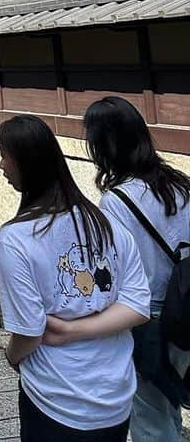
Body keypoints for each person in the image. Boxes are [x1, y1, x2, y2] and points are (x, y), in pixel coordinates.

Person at [0, 113, 150, 442]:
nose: (1, 167)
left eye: (3, 157)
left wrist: (12, 357)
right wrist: (76, 329)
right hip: (115, 395)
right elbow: (137, 305)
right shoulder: (107, 223)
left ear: (25, 163)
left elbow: (29, 332)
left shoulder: (17, 238)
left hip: (56, 397)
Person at [84, 97, 190, 442]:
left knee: (153, 415)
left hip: (152, 320)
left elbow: (113, 271)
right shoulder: (182, 185)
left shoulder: (117, 201)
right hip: (189, 307)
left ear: (104, 146)